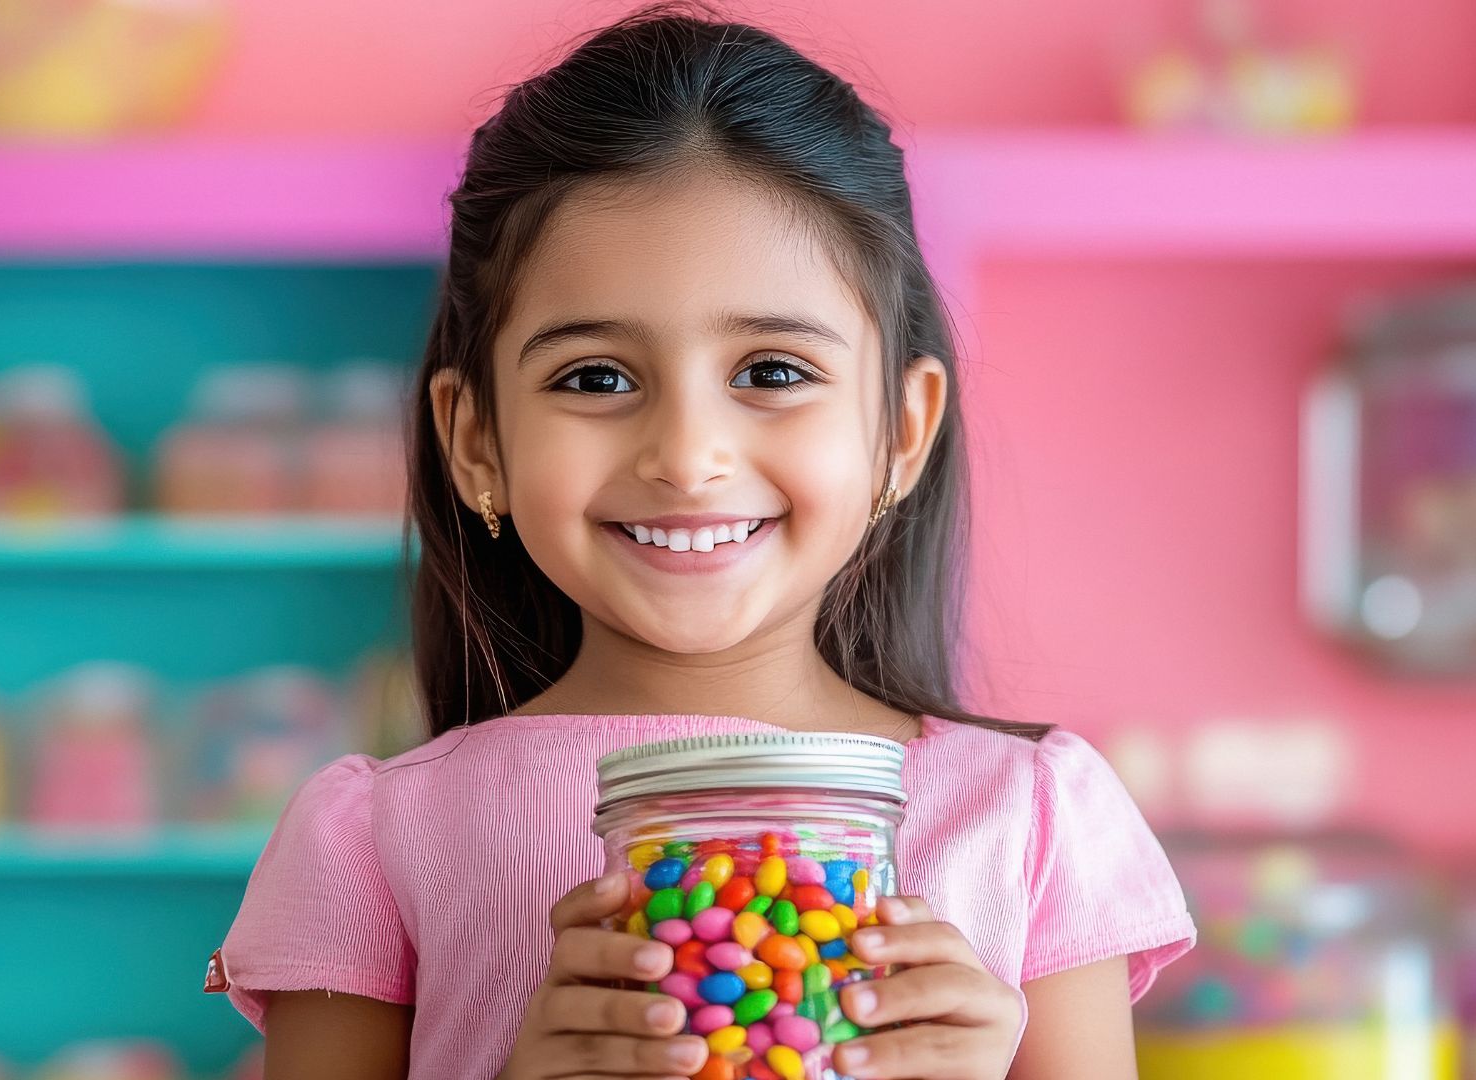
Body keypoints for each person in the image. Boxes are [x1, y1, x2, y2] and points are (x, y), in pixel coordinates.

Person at [209, 5, 1196, 1077]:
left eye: (773, 372)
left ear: (901, 432)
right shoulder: (374, 839)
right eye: (596, 378)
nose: (687, 456)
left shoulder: (1030, 819)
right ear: (477, 439)